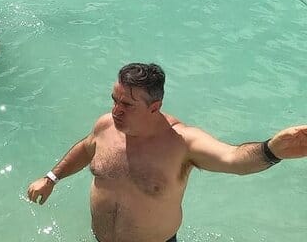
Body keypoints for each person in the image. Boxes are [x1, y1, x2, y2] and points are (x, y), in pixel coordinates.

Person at [26, 63, 307, 242]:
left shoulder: (183, 143)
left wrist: (273, 149)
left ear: (155, 107)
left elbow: (233, 160)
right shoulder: (106, 126)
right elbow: (87, 148)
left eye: (127, 105)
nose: (116, 111)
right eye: (114, 100)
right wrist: (51, 178)